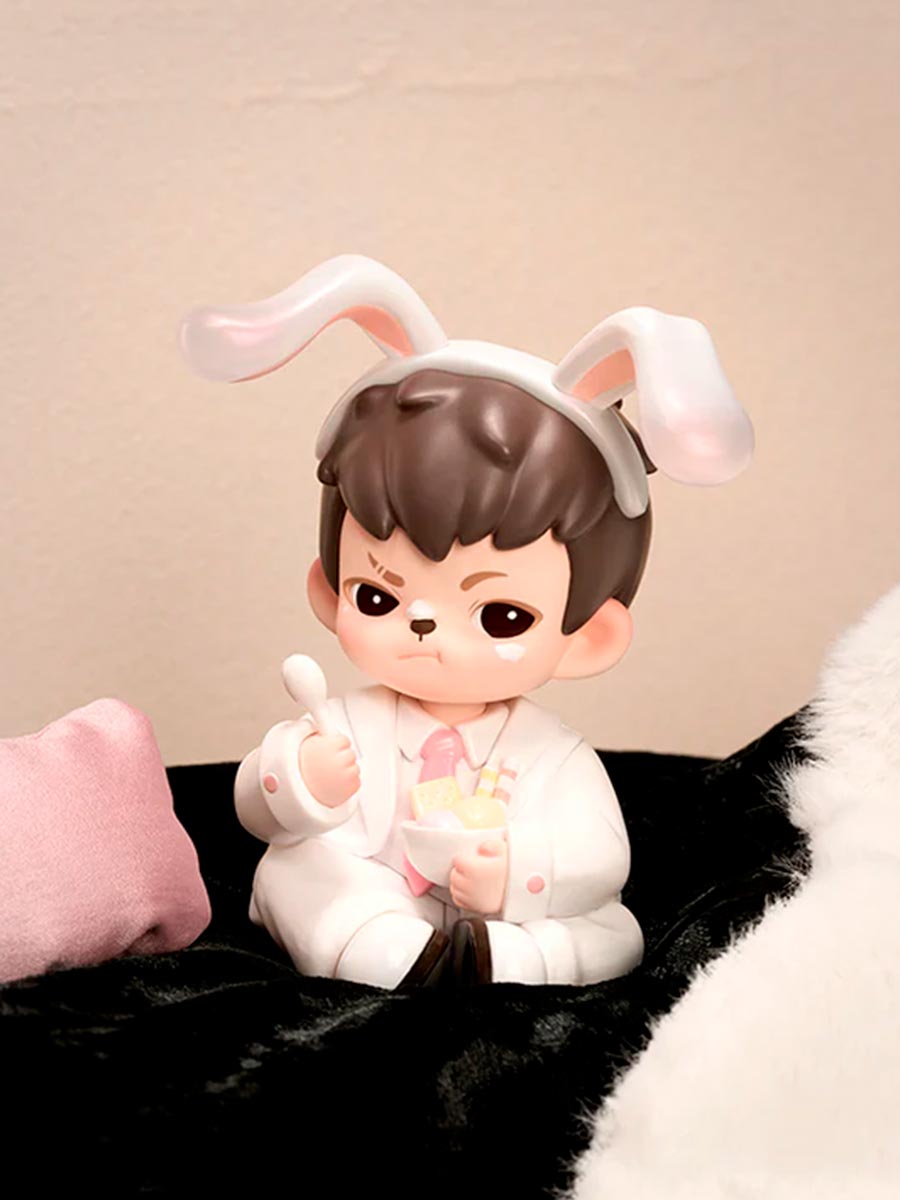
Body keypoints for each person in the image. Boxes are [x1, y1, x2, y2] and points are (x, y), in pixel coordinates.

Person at [180, 254, 753, 989]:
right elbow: (256, 806)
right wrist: (300, 779)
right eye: (378, 597)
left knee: (609, 927)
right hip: (375, 892)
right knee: (298, 866)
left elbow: (600, 856)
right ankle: (385, 951)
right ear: (328, 591)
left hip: (505, 915)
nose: (424, 627)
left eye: (502, 616)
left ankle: (505, 964)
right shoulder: (346, 723)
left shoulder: (555, 756)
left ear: (587, 638)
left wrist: (519, 874)